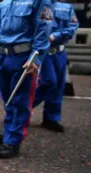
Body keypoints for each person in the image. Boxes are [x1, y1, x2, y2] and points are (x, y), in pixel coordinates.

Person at [0, 0, 53, 158]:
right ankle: (9, 134)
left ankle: (13, 141)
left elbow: (43, 30)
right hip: (3, 56)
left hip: (23, 58)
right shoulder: (5, 2)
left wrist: (36, 59)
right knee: (8, 100)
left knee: (20, 100)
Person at [32, 0, 79, 133]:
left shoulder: (66, 7)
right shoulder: (36, 4)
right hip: (43, 51)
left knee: (58, 86)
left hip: (59, 52)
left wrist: (55, 35)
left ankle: (51, 119)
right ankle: (24, 107)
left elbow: (73, 26)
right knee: (48, 81)